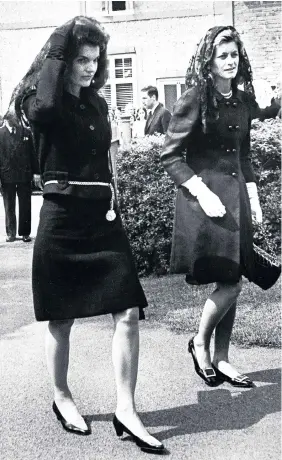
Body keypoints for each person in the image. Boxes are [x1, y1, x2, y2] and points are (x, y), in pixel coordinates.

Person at [12, 16, 164, 453]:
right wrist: (62, 36)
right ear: (61, 60)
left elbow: (105, 159)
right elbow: (41, 110)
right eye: (80, 59)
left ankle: (126, 410)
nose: (89, 68)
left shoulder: (97, 104)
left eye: (95, 60)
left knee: (128, 310)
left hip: (102, 219)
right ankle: (61, 396)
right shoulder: (40, 100)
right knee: (62, 318)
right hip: (61, 220)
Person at [160, 25, 273, 389]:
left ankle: (222, 358)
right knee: (230, 284)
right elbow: (171, 155)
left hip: (236, 200)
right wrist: (201, 192)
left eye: (234, 55)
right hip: (206, 203)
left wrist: (253, 198)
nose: (229, 61)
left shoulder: (241, 101)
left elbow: (245, 155)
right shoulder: (194, 98)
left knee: (233, 278)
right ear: (208, 60)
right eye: (221, 55)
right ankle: (199, 343)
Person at [0, 111, 41, 242]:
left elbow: (33, 154)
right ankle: (11, 233)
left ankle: (25, 233)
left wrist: (36, 172)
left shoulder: (26, 132)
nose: (16, 123)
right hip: (6, 175)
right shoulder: (0, 134)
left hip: (24, 174)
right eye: (13, 120)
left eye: (16, 120)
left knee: (25, 205)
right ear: (6, 120)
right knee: (8, 205)